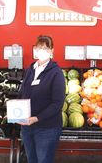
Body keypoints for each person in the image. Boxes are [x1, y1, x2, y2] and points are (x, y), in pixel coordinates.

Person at [17, 35, 65, 163]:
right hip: (27, 126)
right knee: (31, 159)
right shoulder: (30, 70)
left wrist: (36, 118)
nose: (41, 51)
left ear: (52, 51)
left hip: (46, 128)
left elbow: (57, 104)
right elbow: (22, 93)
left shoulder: (56, 73)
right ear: (35, 50)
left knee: (44, 160)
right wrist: (16, 111)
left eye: (45, 48)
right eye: (39, 48)